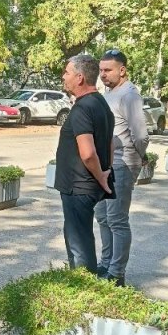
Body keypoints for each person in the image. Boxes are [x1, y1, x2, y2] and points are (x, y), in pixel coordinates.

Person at [54, 55, 114, 273]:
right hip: (85, 185)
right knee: (80, 238)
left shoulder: (83, 108)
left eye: (67, 72)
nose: (64, 76)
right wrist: (105, 171)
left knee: (79, 246)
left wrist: (101, 177)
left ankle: (84, 286)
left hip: (78, 187)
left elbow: (88, 153)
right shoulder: (101, 103)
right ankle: (85, 282)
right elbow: (110, 143)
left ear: (79, 78)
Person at [95, 49, 149, 286]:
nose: (103, 74)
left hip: (122, 163)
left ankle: (116, 274)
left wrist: (139, 157)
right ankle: (106, 264)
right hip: (105, 164)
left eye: (108, 70)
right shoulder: (109, 93)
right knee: (103, 217)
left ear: (122, 70)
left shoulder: (130, 95)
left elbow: (141, 135)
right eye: (101, 70)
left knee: (117, 220)